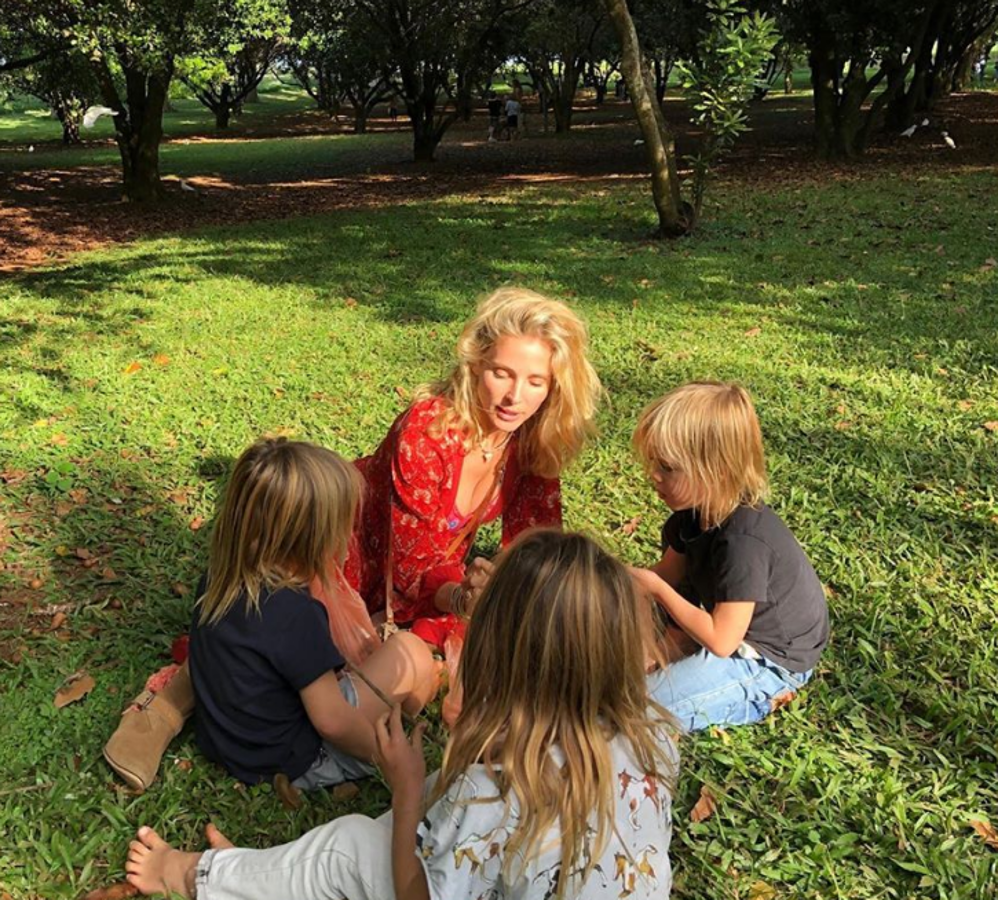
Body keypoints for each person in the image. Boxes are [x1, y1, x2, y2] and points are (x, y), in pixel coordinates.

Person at [122, 530, 680, 900]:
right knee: (438, 798)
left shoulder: (495, 792)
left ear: (503, 658)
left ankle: (193, 875)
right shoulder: (653, 733)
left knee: (348, 847)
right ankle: (266, 876)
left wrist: (405, 788)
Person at [104, 439, 438, 793]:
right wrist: (386, 757)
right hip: (297, 761)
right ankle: (406, 726)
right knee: (411, 651)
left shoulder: (221, 578)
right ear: (316, 539)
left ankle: (400, 718)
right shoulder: (296, 614)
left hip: (229, 746)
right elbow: (332, 722)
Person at [344, 286, 601, 650]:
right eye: (501, 373)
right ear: (476, 366)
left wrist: (506, 585)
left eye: (535, 381)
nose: (515, 397)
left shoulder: (531, 439)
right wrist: (467, 598)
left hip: (434, 583)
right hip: (350, 555)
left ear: (553, 387)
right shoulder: (427, 431)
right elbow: (407, 568)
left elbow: (537, 542)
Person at [630, 381, 829, 732]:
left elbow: (723, 640)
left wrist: (656, 590)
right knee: (610, 660)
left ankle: (753, 699)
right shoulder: (689, 518)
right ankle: (676, 650)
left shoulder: (743, 543)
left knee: (638, 710)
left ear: (717, 469)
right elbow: (668, 576)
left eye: (667, 466)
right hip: (717, 626)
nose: (653, 476)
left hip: (765, 660)